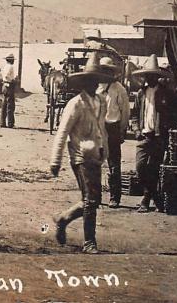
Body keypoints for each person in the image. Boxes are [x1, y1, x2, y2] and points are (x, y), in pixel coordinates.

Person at [50, 52, 115, 254]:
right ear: (84, 82)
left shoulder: (101, 103)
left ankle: (63, 218)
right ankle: (89, 242)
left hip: (95, 156)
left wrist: (106, 152)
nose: (94, 85)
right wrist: (55, 161)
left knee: (93, 199)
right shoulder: (75, 104)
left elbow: (102, 130)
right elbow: (62, 132)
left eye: (97, 81)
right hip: (79, 156)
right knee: (90, 200)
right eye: (91, 81)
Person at [132, 54, 177, 213]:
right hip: (144, 135)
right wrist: (136, 129)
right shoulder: (141, 93)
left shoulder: (167, 94)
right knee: (140, 167)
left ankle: (146, 199)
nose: (149, 78)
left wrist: (167, 127)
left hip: (159, 137)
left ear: (157, 77)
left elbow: (176, 114)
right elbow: (134, 114)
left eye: (152, 75)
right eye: (147, 75)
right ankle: (156, 198)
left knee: (154, 168)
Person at [97, 57, 130, 208]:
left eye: (108, 70)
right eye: (103, 70)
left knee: (114, 164)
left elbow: (125, 113)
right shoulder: (95, 87)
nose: (105, 73)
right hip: (97, 129)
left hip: (113, 128)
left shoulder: (119, 89)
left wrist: (121, 131)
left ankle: (115, 197)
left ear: (112, 72)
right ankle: (95, 195)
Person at [0, 53, 18, 128]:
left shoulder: (5, 66)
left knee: (4, 104)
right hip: (9, 86)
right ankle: (10, 123)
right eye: (12, 59)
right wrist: (12, 80)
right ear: (10, 60)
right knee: (10, 105)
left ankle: (2, 122)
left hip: (5, 86)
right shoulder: (10, 67)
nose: (13, 61)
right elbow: (7, 75)